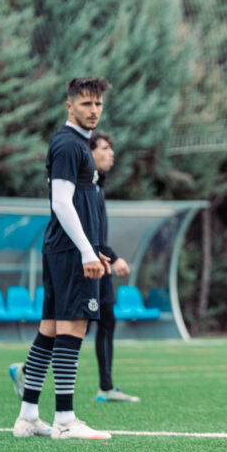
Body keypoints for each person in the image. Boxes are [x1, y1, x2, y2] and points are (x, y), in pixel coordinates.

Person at [9, 77, 113, 440]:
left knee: (51, 330)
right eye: (86, 104)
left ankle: (27, 417)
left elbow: (79, 203)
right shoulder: (69, 144)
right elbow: (61, 202)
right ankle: (66, 420)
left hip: (65, 249)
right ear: (70, 106)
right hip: (70, 252)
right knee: (73, 327)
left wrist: (93, 247)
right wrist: (85, 250)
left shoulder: (78, 144)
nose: (93, 110)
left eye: (98, 104)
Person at [90, 131, 139, 403]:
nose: (112, 153)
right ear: (90, 152)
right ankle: (30, 370)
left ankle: (106, 388)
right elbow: (90, 236)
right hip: (88, 265)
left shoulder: (98, 185)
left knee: (107, 321)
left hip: (101, 265)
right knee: (74, 327)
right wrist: (115, 257)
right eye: (105, 148)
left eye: (111, 148)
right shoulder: (85, 186)